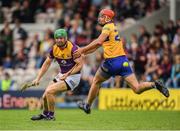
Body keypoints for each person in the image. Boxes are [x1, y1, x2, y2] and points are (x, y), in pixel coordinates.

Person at [73, 9, 170, 114]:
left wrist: (82, 49)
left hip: (111, 62)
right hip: (123, 61)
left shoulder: (107, 27)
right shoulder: (112, 27)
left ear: (107, 18)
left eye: (101, 16)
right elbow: (97, 45)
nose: (99, 19)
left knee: (96, 81)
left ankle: (87, 105)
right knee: (136, 88)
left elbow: (98, 42)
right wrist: (85, 52)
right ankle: (155, 84)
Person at [31, 29, 83, 120]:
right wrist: (38, 78)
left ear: (66, 38)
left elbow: (79, 66)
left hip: (73, 77)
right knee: (44, 96)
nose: (59, 40)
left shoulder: (73, 49)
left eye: (61, 38)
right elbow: (47, 63)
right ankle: (45, 114)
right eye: (57, 38)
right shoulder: (54, 48)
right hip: (62, 74)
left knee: (49, 91)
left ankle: (51, 116)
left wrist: (68, 74)